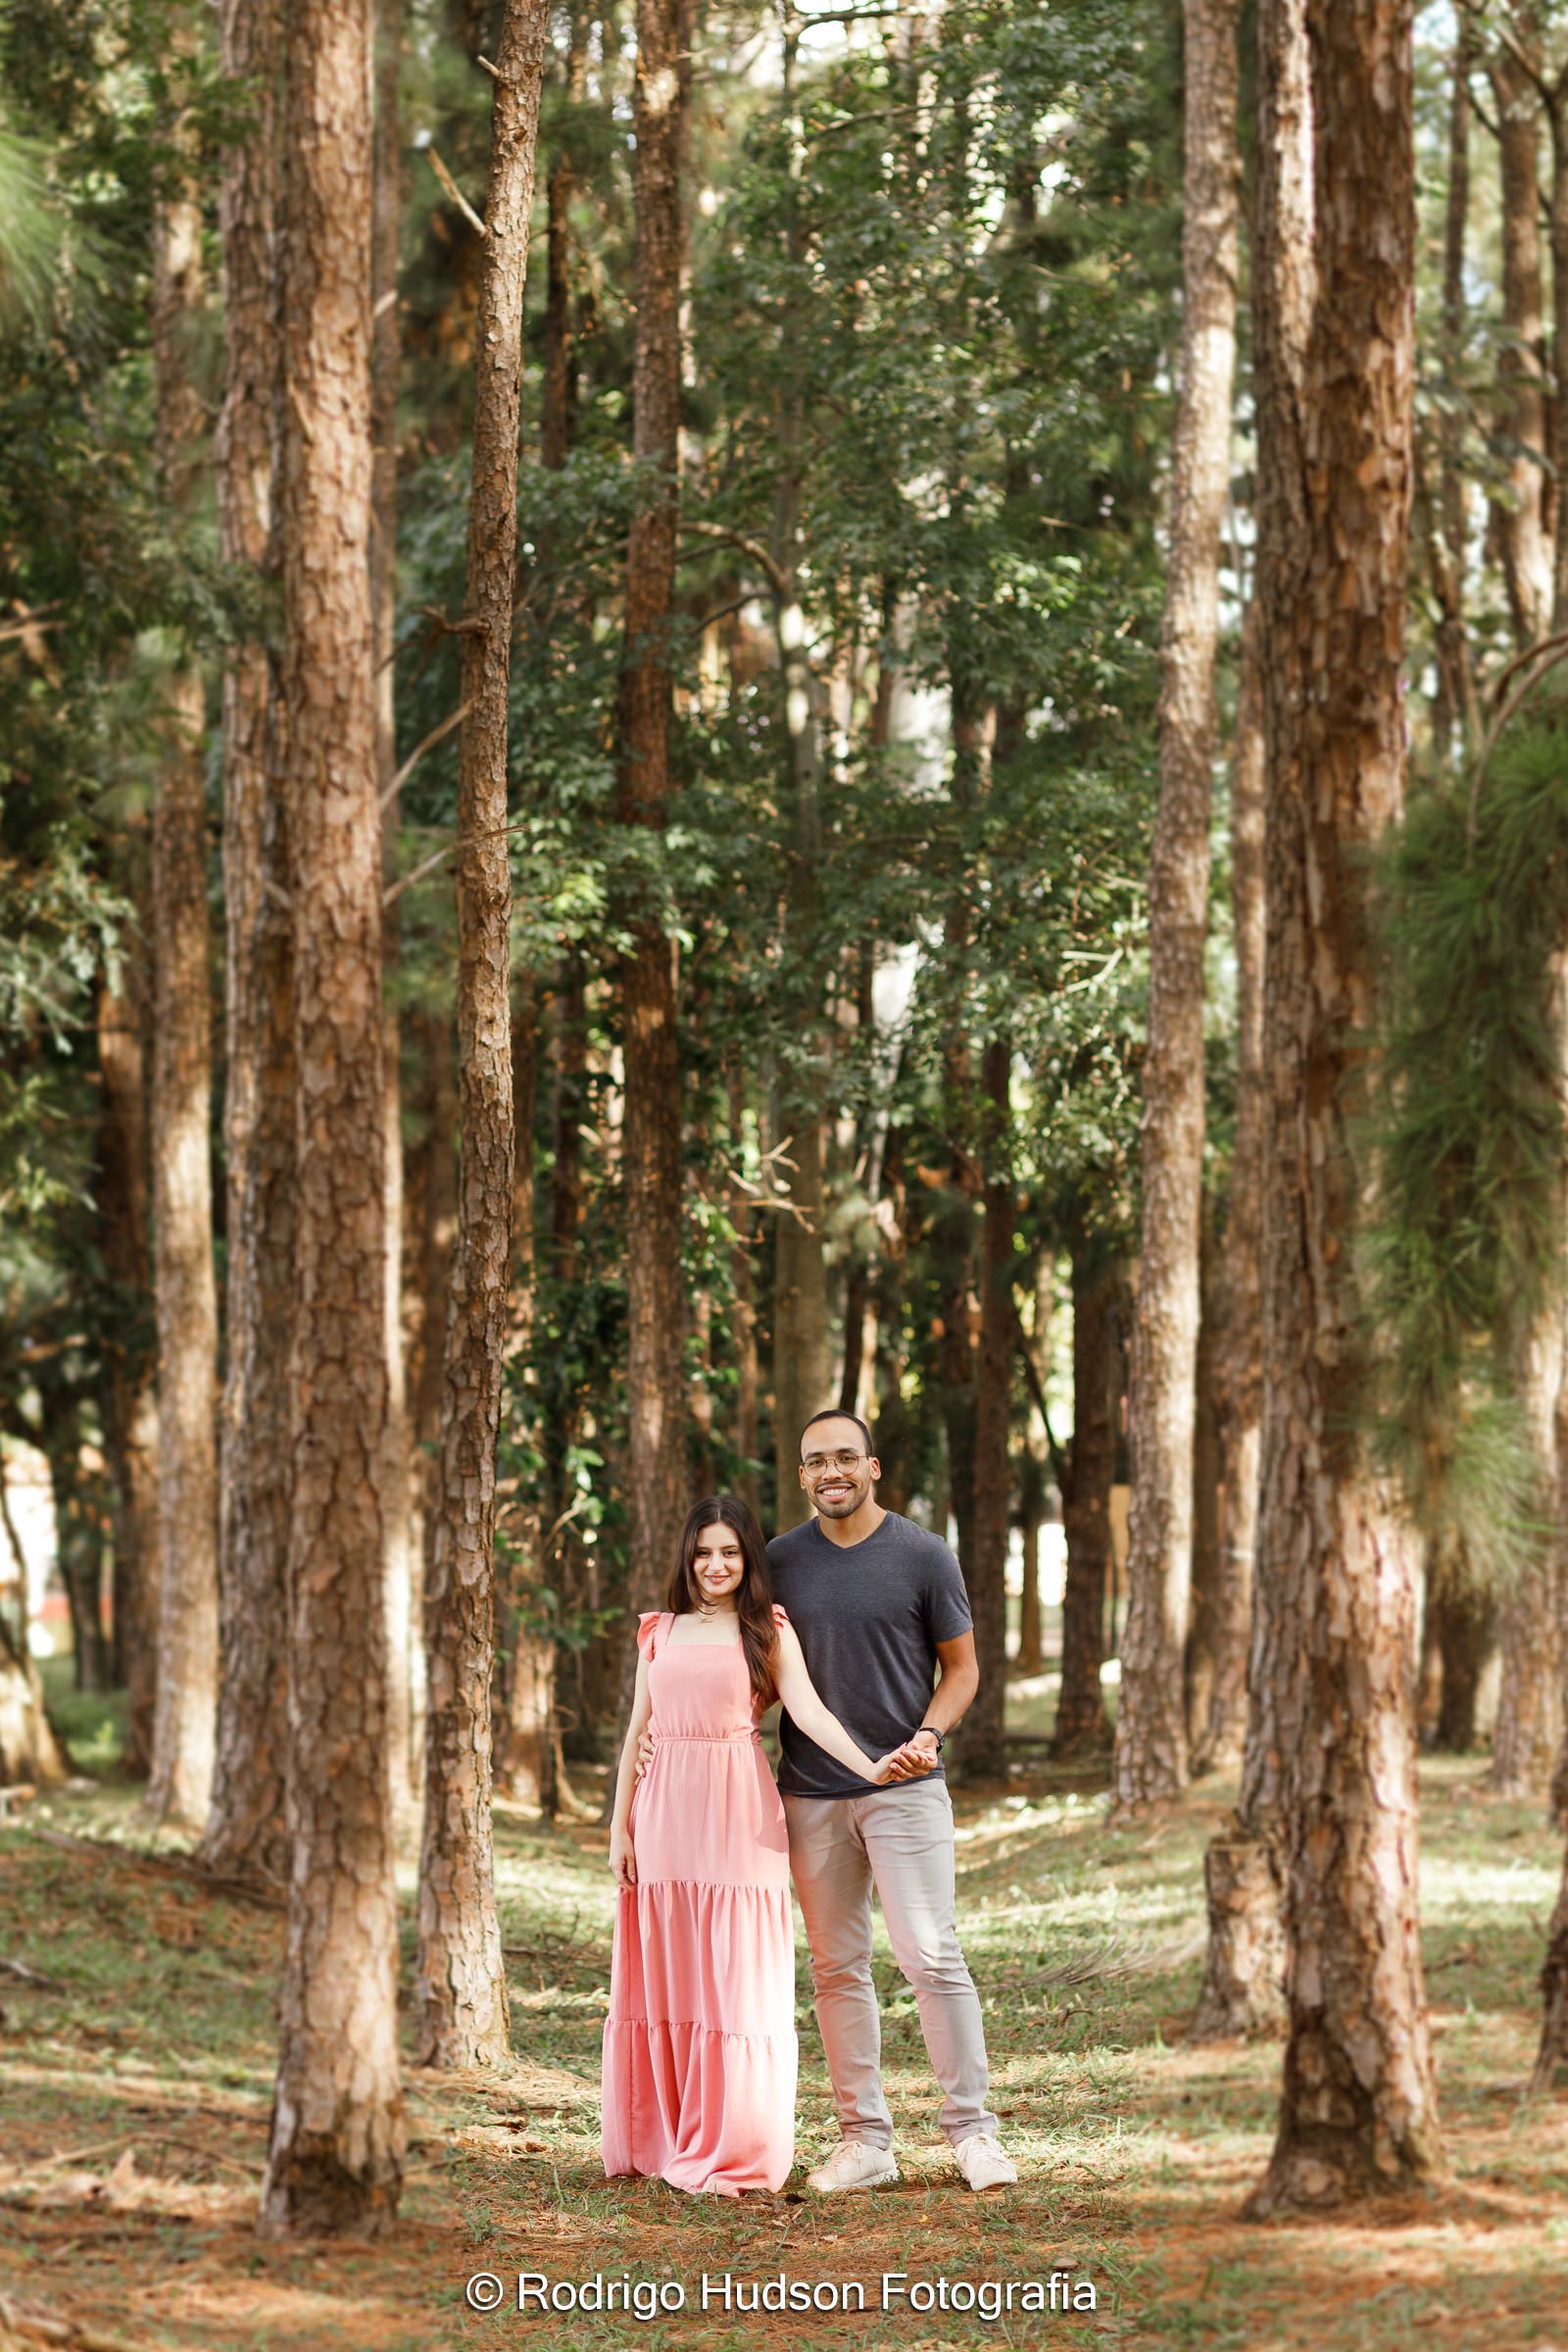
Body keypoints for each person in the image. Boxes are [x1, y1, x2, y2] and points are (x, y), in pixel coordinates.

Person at [601, 1494, 894, 2197]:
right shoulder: (658, 1632)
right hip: (663, 1810)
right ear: (687, 1557)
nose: (715, 1564)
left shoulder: (767, 1630)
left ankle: (734, 2140)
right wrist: (619, 1826)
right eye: (703, 1551)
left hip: (738, 1810)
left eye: (729, 1551)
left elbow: (811, 1713)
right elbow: (638, 1732)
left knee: (734, 1976)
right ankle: (663, 2134)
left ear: (748, 1559)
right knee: (671, 1968)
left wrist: (873, 1767)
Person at [766, 1409, 1018, 2195]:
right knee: (838, 1969)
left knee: (933, 1957)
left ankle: (973, 2133)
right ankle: (866, 2140)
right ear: (802, 1475)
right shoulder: (778, 1562)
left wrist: (931, 1735)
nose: (830, 1472)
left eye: (846, 1457)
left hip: (906, 1788)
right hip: (810, 1793)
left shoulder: (922, 1555)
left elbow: (964, 1670)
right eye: (816, 1462)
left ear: (873, 1467)